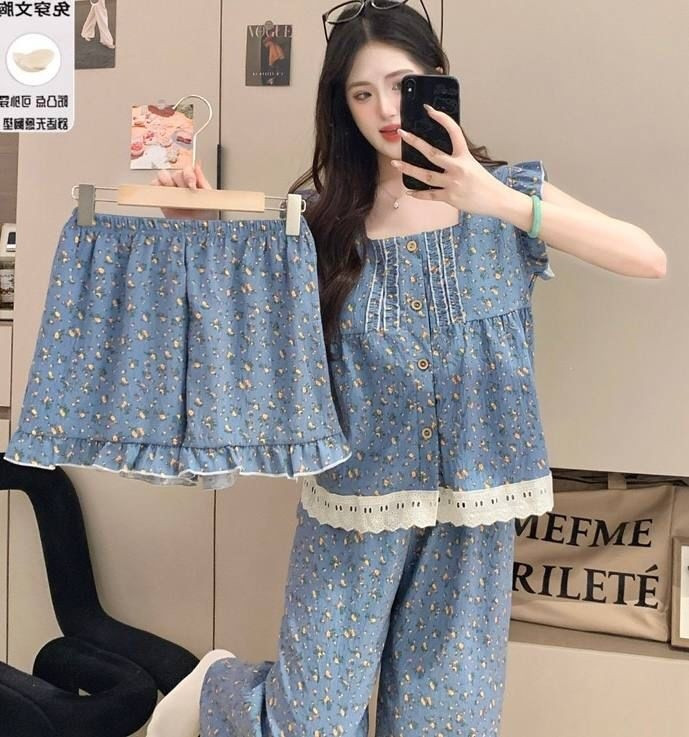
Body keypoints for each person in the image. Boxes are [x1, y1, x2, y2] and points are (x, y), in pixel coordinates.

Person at [145, 3, 666, 736]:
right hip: (354, 501)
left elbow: (647, 257)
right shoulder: (319, 219)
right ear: (343, 107)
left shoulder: (510, 193)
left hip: (475, 503)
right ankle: (219, 690)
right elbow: (251, 341)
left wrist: (494, 198)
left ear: (439, 81)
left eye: (400, 85)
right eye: (362, 94)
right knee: (312, 722)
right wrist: (203, 235)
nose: (386, 111)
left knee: (444, 721)